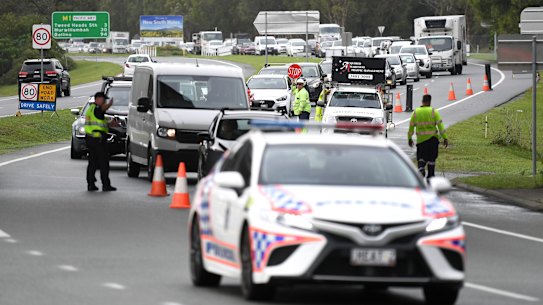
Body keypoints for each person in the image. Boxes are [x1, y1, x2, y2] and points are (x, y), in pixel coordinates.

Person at [408, 94, 448, 181]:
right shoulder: (434, 112)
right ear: (429, 102)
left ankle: (421, 168)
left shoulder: (416, 112)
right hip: (432, 140)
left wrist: (410, 138)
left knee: (421, 157)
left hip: (421, 140)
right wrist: (445, 138)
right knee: (431, 159)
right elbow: (440, 126)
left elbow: (411, 127)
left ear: (422, 101)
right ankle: (430, 176)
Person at [85, 92, 116, 192]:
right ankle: (106, 185)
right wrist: (110, 104)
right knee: (103, 163)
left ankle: (91, 184)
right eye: (104, 100)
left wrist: (109, 124)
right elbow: (101, 110)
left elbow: (99, 122)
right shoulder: (97, 108)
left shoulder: (91, 109)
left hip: (91, 139)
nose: (105, 102)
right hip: (98, 140)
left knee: (93, 163)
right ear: (98, 99)